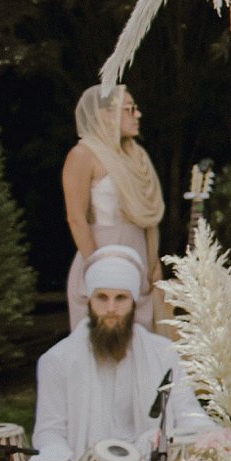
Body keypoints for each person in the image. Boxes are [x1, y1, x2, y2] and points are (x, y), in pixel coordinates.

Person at [26, 249, 215, 461]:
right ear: (89, 301)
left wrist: (213, 441)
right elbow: (48, 431)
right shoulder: (57, 360)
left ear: (134, 302)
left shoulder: (163, 352)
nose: (111, 308)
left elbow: (187, 412)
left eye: (120, 298)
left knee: (158, 446)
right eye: (102, 298)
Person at [62, 85, 164, 330]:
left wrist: (153, 262)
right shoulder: (83, 154)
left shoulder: (136, 156)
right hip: (103, 252)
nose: (137, 115)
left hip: (140, 256)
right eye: (129, 109)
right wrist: (100, 270)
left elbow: (146, 220)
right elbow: (76, 219)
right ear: (105, 114)